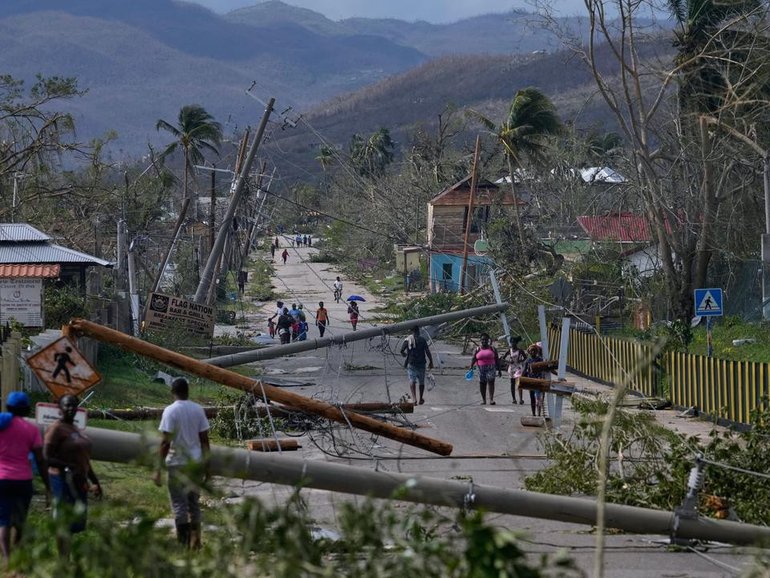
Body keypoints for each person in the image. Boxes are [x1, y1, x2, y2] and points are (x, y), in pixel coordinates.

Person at [153, 377, 210, 550]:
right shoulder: (198, 410)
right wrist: (208, 467)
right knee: (194, 503)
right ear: (188, 391)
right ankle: (196, 540)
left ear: (172, 392)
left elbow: (165, 442)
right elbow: (204, 441)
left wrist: (158, 468)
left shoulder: (170, 411)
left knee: (179, 505)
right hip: (195, 463)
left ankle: (183, 544)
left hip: (177, 463)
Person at [44, 394, 101, 554]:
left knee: (75, 522)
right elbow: (46, 457)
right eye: (66, 405)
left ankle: (67, 555)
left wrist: (95, 481)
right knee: (63, 520)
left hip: (78, 480)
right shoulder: (56, 428)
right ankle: (63, 559)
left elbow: (84, 460)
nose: (70, 408)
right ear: (60, 408)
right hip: (62, 480)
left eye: (73, 405)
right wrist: (68, 466)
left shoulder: (76, 428)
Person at [0, 392, 50, 566]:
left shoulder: (1, 423)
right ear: (27, 410)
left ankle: (7, 559)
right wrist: (47, 484)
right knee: (20, 520)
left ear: (8, 407)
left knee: (3, 520)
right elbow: (40, 460)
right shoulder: (32, 430)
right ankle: (17, 554)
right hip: (23, 480)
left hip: (2, 479)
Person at [399, 326, 434, 405]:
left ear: (412, 332)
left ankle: (414, 399)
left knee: (412, 380)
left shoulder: (408, 340)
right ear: (418, 331)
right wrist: (431, 362)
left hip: (412, 363)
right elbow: (427, 351)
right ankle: (420, 398)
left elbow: (401, 350)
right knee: (421, 382)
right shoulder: (422, 340)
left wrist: (404, 354)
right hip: (421, 363)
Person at [469, 333, 501, 405]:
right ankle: (484, 400)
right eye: (482, 340)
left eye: (485, 340)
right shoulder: (477, 349)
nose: (484, 341)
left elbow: (497, 359)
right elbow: (474, 358)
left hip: (491, 368)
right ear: (480, 340)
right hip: (481, 368)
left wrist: (499, 370)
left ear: (488, 340)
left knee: (491, 382)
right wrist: (471, 366)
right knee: (482, 383)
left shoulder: (492, 349)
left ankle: (491, 399)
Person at [502, 338, 527, 404]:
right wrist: (508, 361)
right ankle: (514, 399)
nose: (513, 344)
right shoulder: (509, 350)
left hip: (518, 368)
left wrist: (521, 361)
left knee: (519, 383)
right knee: (512, 384)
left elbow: (525, 358)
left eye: (514, 342)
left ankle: (521, 399)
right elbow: (503, 358)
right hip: (511, 368)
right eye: (512, 343)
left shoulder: (520, 350)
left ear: (516, 343)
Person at [523, 343, 546, 416]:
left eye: (534, 351)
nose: (532, 352)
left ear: (536, 352)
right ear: (529, 352)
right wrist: (521, 378)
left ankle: (539, 414)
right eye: (531, 351)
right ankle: (533, 413)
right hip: (530, 381)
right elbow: (524, 371)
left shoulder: (540, 360)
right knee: (532, 397)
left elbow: (546, 367)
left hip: (538, 380)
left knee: (538, 397)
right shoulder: (528, 361)